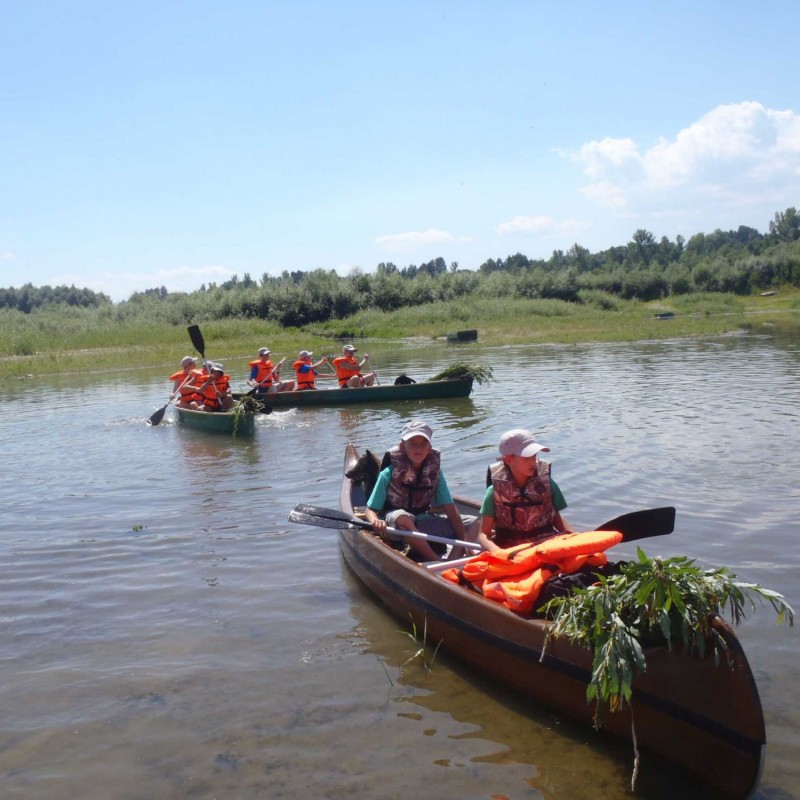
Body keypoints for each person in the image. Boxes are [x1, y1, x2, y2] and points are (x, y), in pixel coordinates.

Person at [363, 420, 479, 561]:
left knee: (475, 523)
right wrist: (375, 521)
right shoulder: (388, 473)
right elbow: (370, 510)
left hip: (423, 521)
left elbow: (450, 507)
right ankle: (435, 560)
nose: (418, 449)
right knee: (403, 517)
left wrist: (464, 540)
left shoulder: (435, 473)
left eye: (423, 444)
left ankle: (455, 558)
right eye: (412, 444)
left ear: (429, 448)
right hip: (395, 524)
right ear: (402, 447)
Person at [477, 429, 571, 554]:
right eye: (526, 457)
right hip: (511, 551)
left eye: (534, 456)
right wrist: (498, 552)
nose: (532, 461)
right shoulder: (493, 491)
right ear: (508, 459)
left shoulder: (547, 483)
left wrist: (573, 537)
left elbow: (556, 518)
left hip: (546, 546)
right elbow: (483, 535)